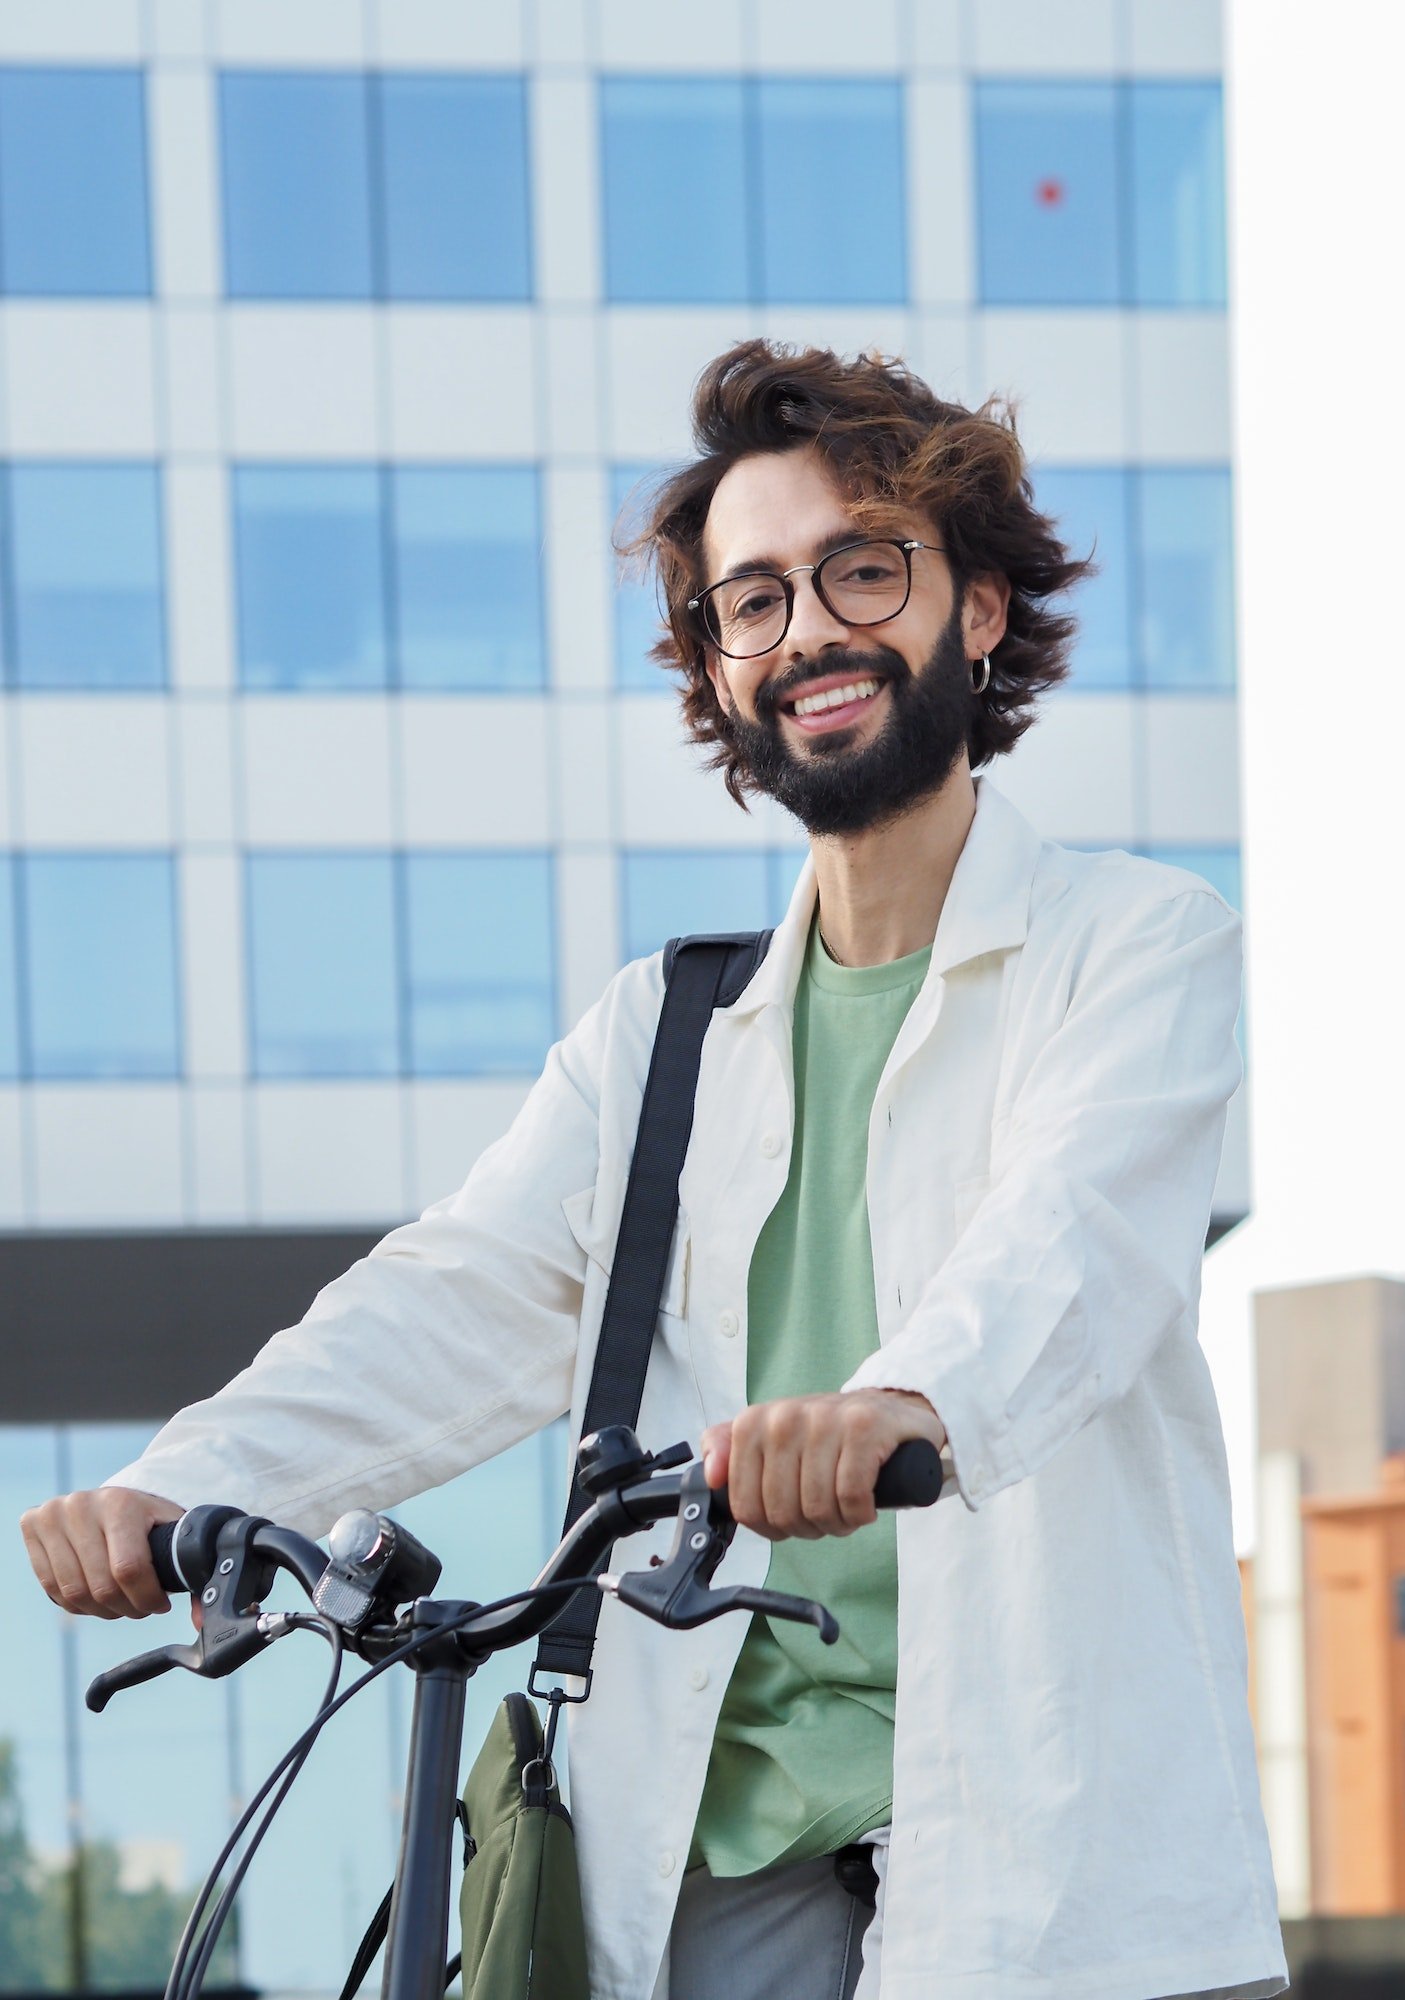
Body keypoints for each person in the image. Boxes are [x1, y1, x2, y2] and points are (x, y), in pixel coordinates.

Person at [20, 341, 1287, 2000]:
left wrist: (901, 1408)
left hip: (1049, 1835)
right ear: (716, 669)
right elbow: (453, 1294)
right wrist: (186, 1480)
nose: (806, 632)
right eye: (747, 602)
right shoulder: (662, 1037)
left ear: (974, 608)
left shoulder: (1131, 949)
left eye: (861, 570)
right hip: (716, 1833)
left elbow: (1068, 1251)